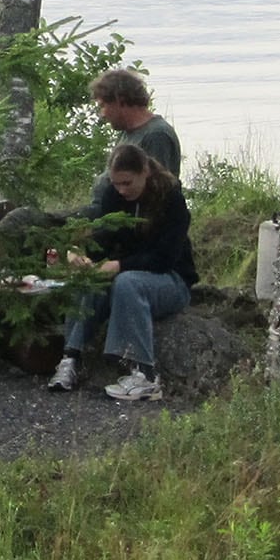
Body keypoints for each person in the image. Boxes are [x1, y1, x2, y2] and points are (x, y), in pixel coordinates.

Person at [47, 142, 196, 402]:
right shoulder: (113, 196)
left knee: (127, 283)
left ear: (145, 172)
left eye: (127, 183)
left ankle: (144, 374)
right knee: (93, 280)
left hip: (172, 279)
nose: (121, 190)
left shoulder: (171, 199)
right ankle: (71, 357)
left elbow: (165, 257)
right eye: (116, 184)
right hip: (129, 273)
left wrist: (119, 265)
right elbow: (105, 238)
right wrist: (82, 256)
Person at [91, 67, 180, 179]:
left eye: (103, 106)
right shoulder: (127, 132)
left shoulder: (156, 135)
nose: (102, 114)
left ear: (120, 100)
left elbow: (157, 188)